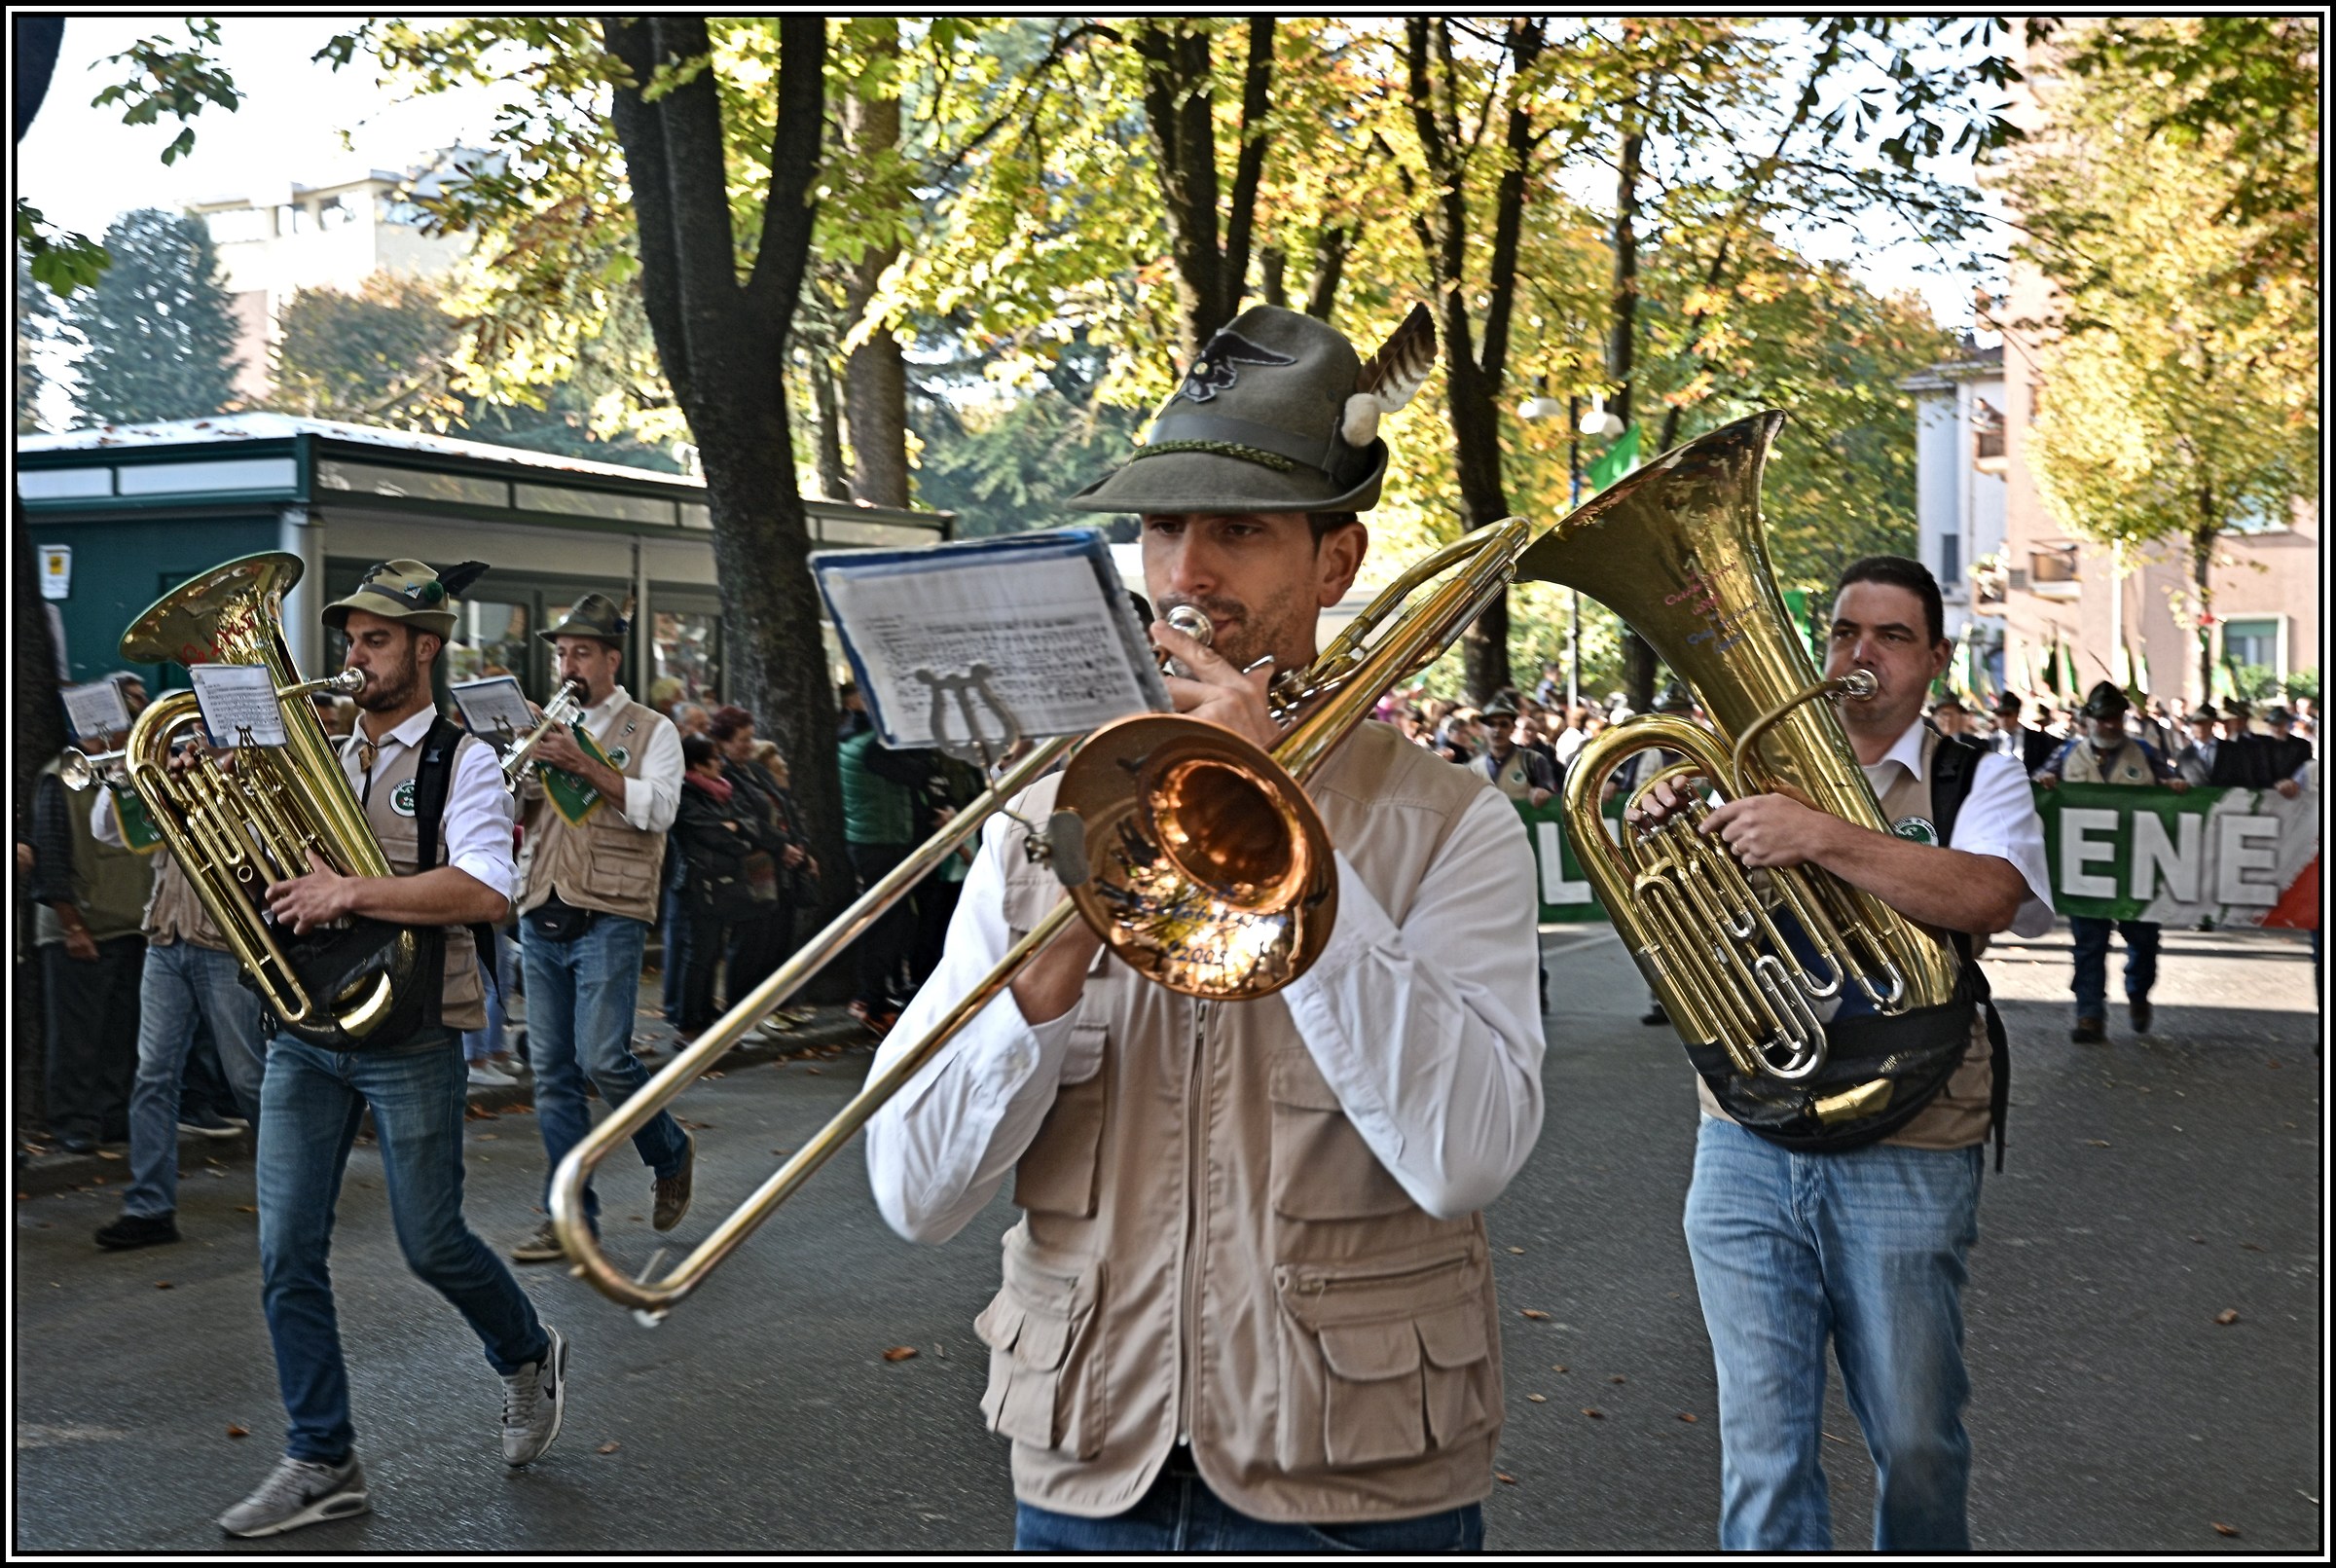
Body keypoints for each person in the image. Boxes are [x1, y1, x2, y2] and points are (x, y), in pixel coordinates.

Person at [867, 303, 1545, 1552]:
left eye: (1238, 531)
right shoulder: (1040, 808)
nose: (1186, 574)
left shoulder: (1452, 824)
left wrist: (1285, 849)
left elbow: (1467, 1156)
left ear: (1334, 564)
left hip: (1349, 1483)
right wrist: (1063, 937)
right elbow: (915, 1191)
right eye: (1164, 527)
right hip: (1087, 1471)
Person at [1631, 555, 2052, 1551]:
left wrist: (1818, 835)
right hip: (1748, 1130)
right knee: (1763, 1454)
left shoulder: (1975, 776)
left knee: (1914, 1441)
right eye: (1844, 633)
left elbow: (1990, 897)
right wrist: (1666, 825)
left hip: (1914, 1133)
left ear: (1937, 658)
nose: (1860, 656)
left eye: (1892, 637)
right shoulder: (1738, 765)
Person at [219, 560, 566, 1537]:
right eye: (350, 639)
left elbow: (485, 891)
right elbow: (273, 876)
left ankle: (526, 1352)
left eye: (376, 640)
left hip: (411, 1029)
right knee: (285, 1249)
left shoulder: (466, 761)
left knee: (431, 1241)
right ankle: (324, 1458)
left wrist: (351, 892)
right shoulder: (319, 751)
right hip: (310, 1026)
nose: (355, 657)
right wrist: (229, 799)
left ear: (426, 646)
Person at [506, 593, 694, 1264]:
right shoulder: (544, 725)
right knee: (553, 1073)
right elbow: (510, 808)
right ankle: (570, 1220)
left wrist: (586, 763)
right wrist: (518, 759)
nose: (568, 664)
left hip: (612, 911)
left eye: (582, 652)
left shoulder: (652, 730)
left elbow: (660, 808)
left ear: (613, 658)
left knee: (603, 1057)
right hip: (541, 902)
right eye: (561, 652)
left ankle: (669, 1150)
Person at [89, 738, 268, 1249]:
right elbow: (108, 829)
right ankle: (150, 1208)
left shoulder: (244, 780)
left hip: (224, 945)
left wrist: (220, 784)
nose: (190, 753)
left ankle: (293, 1193)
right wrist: (126, 773)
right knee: (153, 1076)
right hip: (165, 942)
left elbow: (257, 851)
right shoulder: (166, 785)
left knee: (249, 1078)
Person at [31, 725, 154, 1156]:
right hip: (81, 925)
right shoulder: (58, 776)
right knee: (77, 1034)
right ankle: (73, 1121)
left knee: (121, 1032)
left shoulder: (132, 768)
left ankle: (112, 1116)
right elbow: (51, 853)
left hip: (130, 924)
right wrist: (71, 925)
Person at [2036, 681, 2181, 1042]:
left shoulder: (2144, 751)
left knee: (2144, 940)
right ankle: (2089, 1014)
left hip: (2137, 870)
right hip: (2087, 871)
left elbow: (2170, 779)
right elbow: (2038, 781)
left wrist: (2175, 785)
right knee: (2088, 944)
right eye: (2102, 719)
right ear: (2089, 720)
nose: (2110, 725)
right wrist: (2044, 781)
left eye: (2115, 718)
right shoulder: (2068, 753)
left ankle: (2138, 991)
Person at [671, 734, 785, 1036]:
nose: (721, 764)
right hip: (698, 883)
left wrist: (738, 828)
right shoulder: (686, 793)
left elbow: (750, 823)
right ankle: (690, 1020)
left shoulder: (720, 791)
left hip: (722, 883)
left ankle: (706, 1014)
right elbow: (715, 835)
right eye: (715, 759)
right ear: (698, 764)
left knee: (711, 952)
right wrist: (738, 832)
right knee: (699, 954)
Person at [838, 702, 934, 1035]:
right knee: (887, 922)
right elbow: (918, 773)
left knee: (892, 920)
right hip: (879, 842)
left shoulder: (855, 738)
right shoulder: (874, 747)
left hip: (875, 839)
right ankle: (871, 1000)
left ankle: (875, 996)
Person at [1476, 702, 1557, 805]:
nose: (1497, 730)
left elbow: (1552, 797)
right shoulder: (1473, 767)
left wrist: (1544, 794)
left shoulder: (1532, 760)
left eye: (1504, 724)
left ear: (1513, 728)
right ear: (1482, 729)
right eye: (1491, 724)